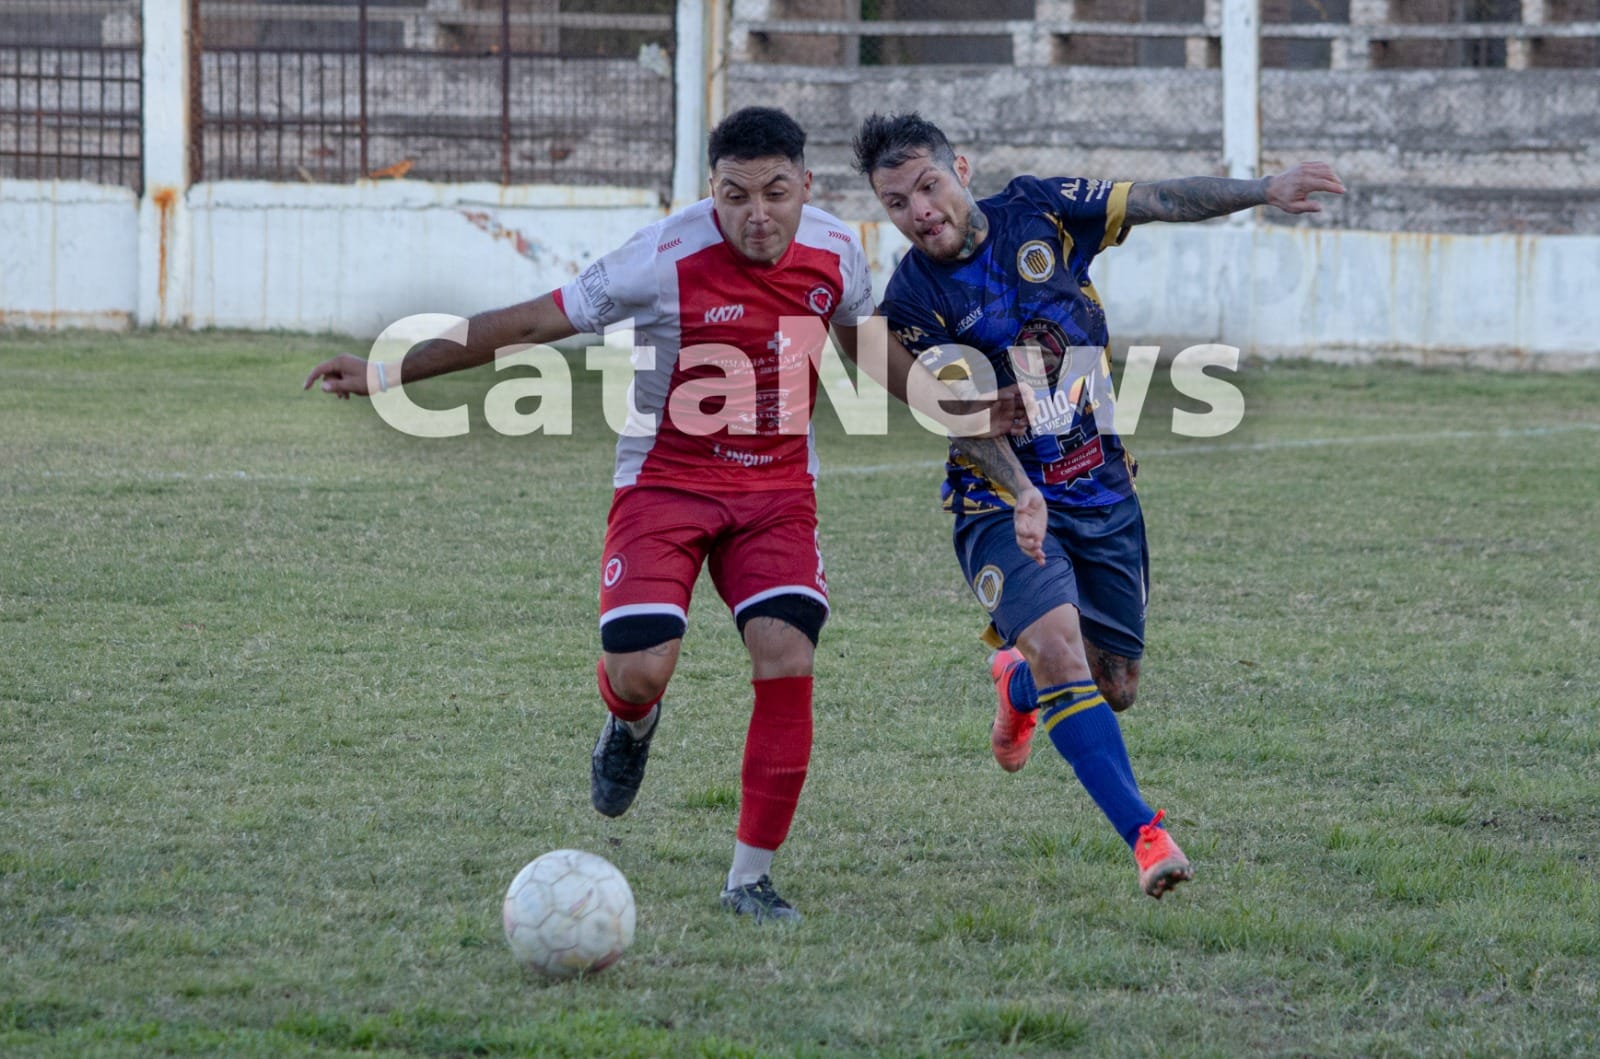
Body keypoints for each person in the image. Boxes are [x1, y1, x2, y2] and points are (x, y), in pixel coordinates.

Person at [306, 107, 1014, 923]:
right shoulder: (660, 257)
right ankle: (629, 724)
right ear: (709, 191)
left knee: (786, 651)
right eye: (734, 195)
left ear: (806, 188)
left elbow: (865, 343)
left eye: (776, 193)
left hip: (776, 492)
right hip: (666, 483)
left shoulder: (835, 250)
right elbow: (535, 320)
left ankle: (749, 880)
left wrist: (948, 402)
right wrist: (390, 370)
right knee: (642, 669)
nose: (757, 215)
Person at [852, 112, 1344, 898]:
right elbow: (960, 422)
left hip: (1102, 486)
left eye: (928, 185)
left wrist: (1263, 190)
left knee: (1116, 685)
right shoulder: (912, 299)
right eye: (896, 202)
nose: (920, 210)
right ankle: (1148, 836)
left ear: (962, 170)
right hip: (998, 498)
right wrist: (1021, 492)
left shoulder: (1040, 211)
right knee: (1061, 651)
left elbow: (1157, 200)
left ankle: (1016, 686)